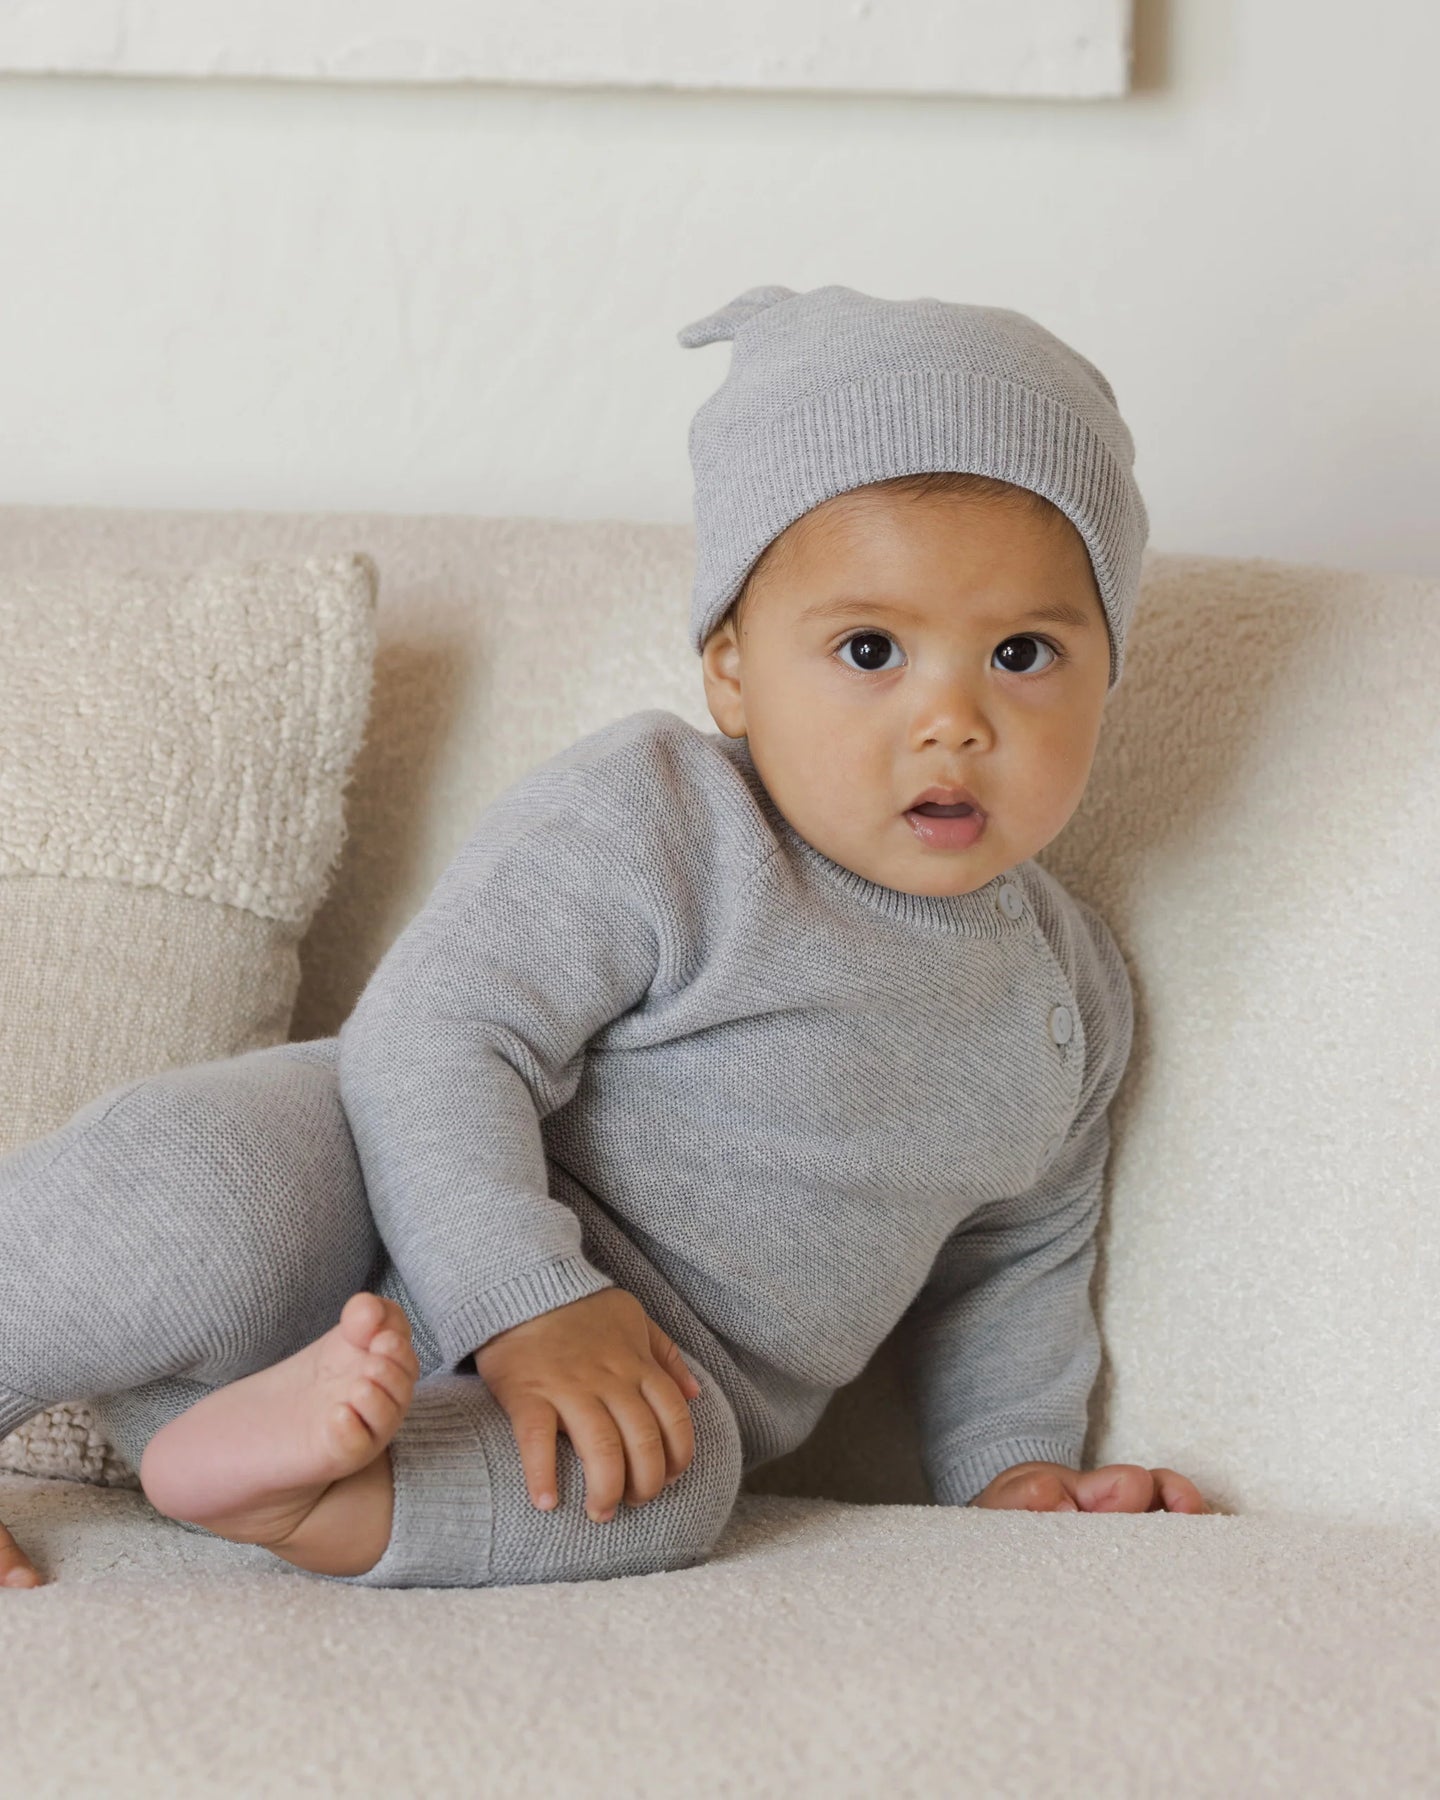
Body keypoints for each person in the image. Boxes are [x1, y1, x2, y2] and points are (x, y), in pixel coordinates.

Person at [0, 283, 1207, 1593]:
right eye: (871, 649)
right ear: (732, 669)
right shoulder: (664, 818)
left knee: (677, 1479)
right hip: (353, 1205)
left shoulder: (1066, 999)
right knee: (206, 1187)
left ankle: (277, 1488)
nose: (953, 721)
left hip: (627, 1370)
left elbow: (1014, 1261)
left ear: (1109, 673)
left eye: (1024, 654)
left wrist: (1015, 1470)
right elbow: (437, 1034)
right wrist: (526, 1298)